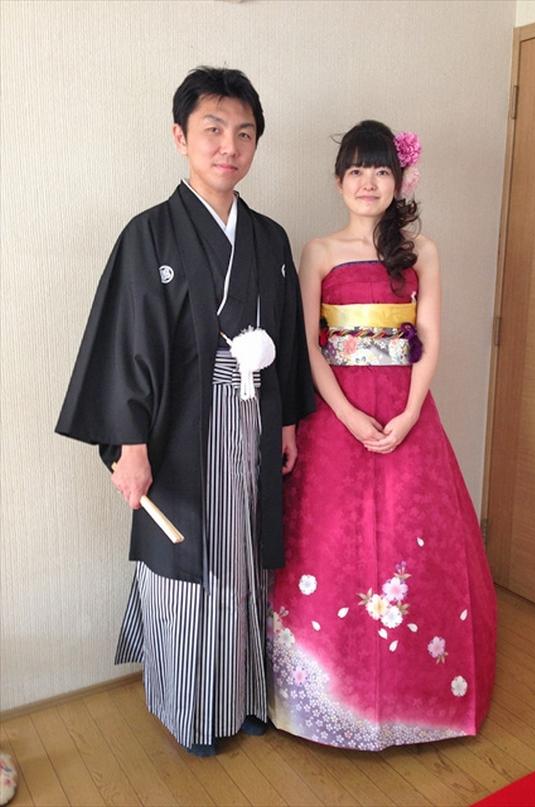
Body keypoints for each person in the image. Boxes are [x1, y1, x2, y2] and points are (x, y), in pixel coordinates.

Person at [56, 66, 315, 756]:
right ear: (180, 137)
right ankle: (191, 710)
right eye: (213, 129)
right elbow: (127, 343)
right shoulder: (149, 235)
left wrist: (287, 420)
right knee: (187, 570)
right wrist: (128, 443)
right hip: (177, 434)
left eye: (244, 133)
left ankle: (246, 696)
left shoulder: (269, 239)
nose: (229, 146)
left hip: (253, 418)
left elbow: (286, 337)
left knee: (246, 561)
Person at [268, 120, 496, 751]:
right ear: (338, 180)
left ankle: (417, 700)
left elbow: (431, 336)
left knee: (410, 539)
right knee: (331, 542)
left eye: (380, 171)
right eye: (356, 171)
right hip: (336, 413)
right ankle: (323, 702)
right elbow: (306, 344)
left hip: (404, 411)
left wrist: (412, 410)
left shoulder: (422, 251)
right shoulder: (317, 250)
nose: (368, 183)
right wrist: (344, 413)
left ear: (400, 180)